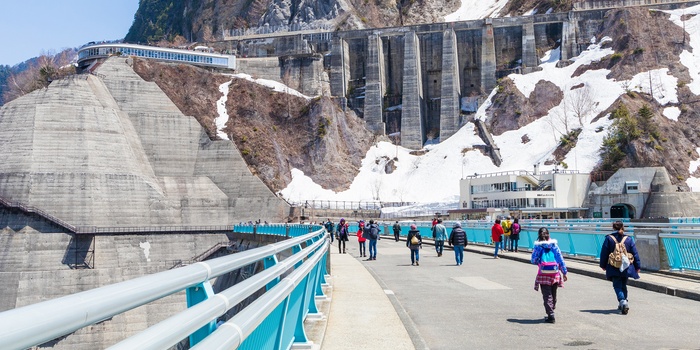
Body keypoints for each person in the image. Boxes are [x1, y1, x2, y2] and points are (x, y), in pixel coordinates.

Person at [599, 221, 641, 315]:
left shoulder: (609, 238)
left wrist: (603, 265)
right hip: (626, 266)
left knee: (617, 285)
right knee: (623, 284)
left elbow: (604, 253)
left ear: (613, 228)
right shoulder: (628, 239)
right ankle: (624, 301)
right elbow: (635, 253)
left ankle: (622, 301)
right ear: (623, 227)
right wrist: (637, 266)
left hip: (614, 265)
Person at [531, 227, 568, 324]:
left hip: (543, 273)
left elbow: (533, 260)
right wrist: (564, 272)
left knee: (547, 295)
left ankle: (550, 314)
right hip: (555, 273)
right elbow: (560, 259)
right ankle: (552, 308)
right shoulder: (554, 245)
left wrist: (540, 262)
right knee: (553, 293)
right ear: (548, 234)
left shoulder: (538, 246)